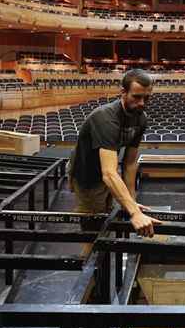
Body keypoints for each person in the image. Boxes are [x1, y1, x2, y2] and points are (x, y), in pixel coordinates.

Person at [69, 69, 161, 244]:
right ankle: (90, 267)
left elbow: (130, 162)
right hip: (88, 176)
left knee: (110, 215)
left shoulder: (141, 118)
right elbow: (109, 173)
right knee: (94, 232)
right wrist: (134, 212)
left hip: (110, 173)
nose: (142, 103)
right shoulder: (106, 117)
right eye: (136, 96)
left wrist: (131, 202)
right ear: (123, 92)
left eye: (146, 98)